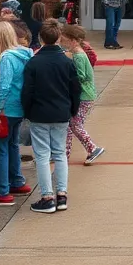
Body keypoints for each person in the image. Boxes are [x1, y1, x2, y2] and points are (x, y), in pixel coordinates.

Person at [21, 21, 81, 214]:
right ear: (59, 38)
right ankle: (62, 194)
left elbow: (27, 92)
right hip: (61, 113)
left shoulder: (33, 63)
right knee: (60, 153)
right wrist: (72, 110)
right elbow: (75, 90)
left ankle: (47, 197)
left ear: (40, 39)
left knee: (42, 156)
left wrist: (27, 111)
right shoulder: (67, 62)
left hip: (39, 113)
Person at [0, 23, 33, 206]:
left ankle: (2, 191)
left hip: (6, 109)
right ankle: (17, 181)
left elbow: (4, 85)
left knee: (0, 149)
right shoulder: (26, 53)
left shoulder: (5, 57)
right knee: (13, 145)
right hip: (20, 107)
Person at [61, 25, 104, 166]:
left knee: (75, 124)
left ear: (73, 41)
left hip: (84, 95)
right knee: (70, 124)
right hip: (83, 94)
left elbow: (81, 76)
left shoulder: (78, 55)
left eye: (65, 40)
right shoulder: (77, 53)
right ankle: (64, 153)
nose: (63, 43)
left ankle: (92, 148)